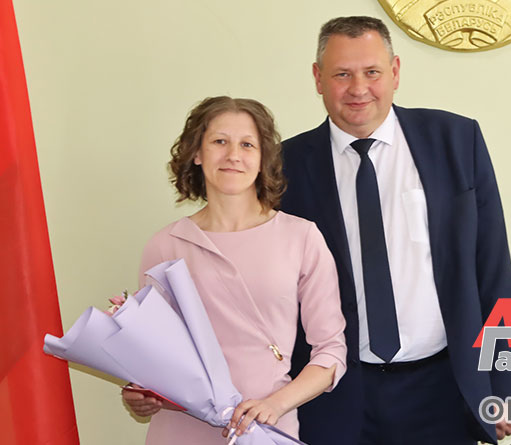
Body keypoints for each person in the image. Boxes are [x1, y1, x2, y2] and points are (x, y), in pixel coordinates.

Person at [280, 16, 511, 445]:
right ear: (318, 79)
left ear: (395, 72)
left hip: (443, 388)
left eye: (372, 72)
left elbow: (492, 271)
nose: (359, 89)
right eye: (342, 74)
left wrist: (506, 383)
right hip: (335, 396)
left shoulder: (456, 140)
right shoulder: (285, 165)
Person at [122, 96, 347, 444]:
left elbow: (331, 352)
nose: (233, 155)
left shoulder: (301, 237)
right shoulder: (166, 244)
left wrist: (275, 405)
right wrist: (140, 395)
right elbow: (151, 355)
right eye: (219, 141)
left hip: (266, 431)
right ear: (197, 153)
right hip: (180, 432)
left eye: (247, 144)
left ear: (263, 158)